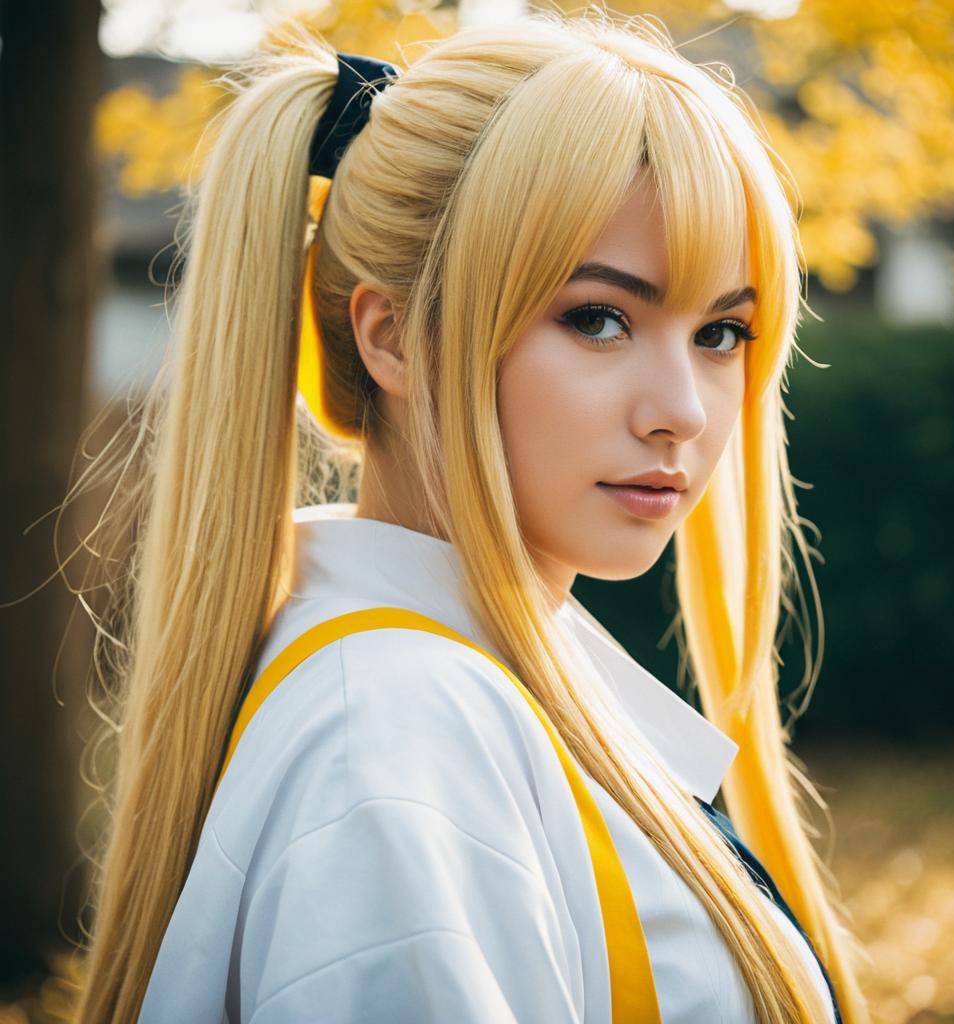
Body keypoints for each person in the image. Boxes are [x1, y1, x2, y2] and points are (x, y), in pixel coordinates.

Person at [68, 10, 871, 1023]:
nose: (684, 410)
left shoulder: (440, 694)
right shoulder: (397, 737)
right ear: (393, 338)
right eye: (598, 318)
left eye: (721, 331)